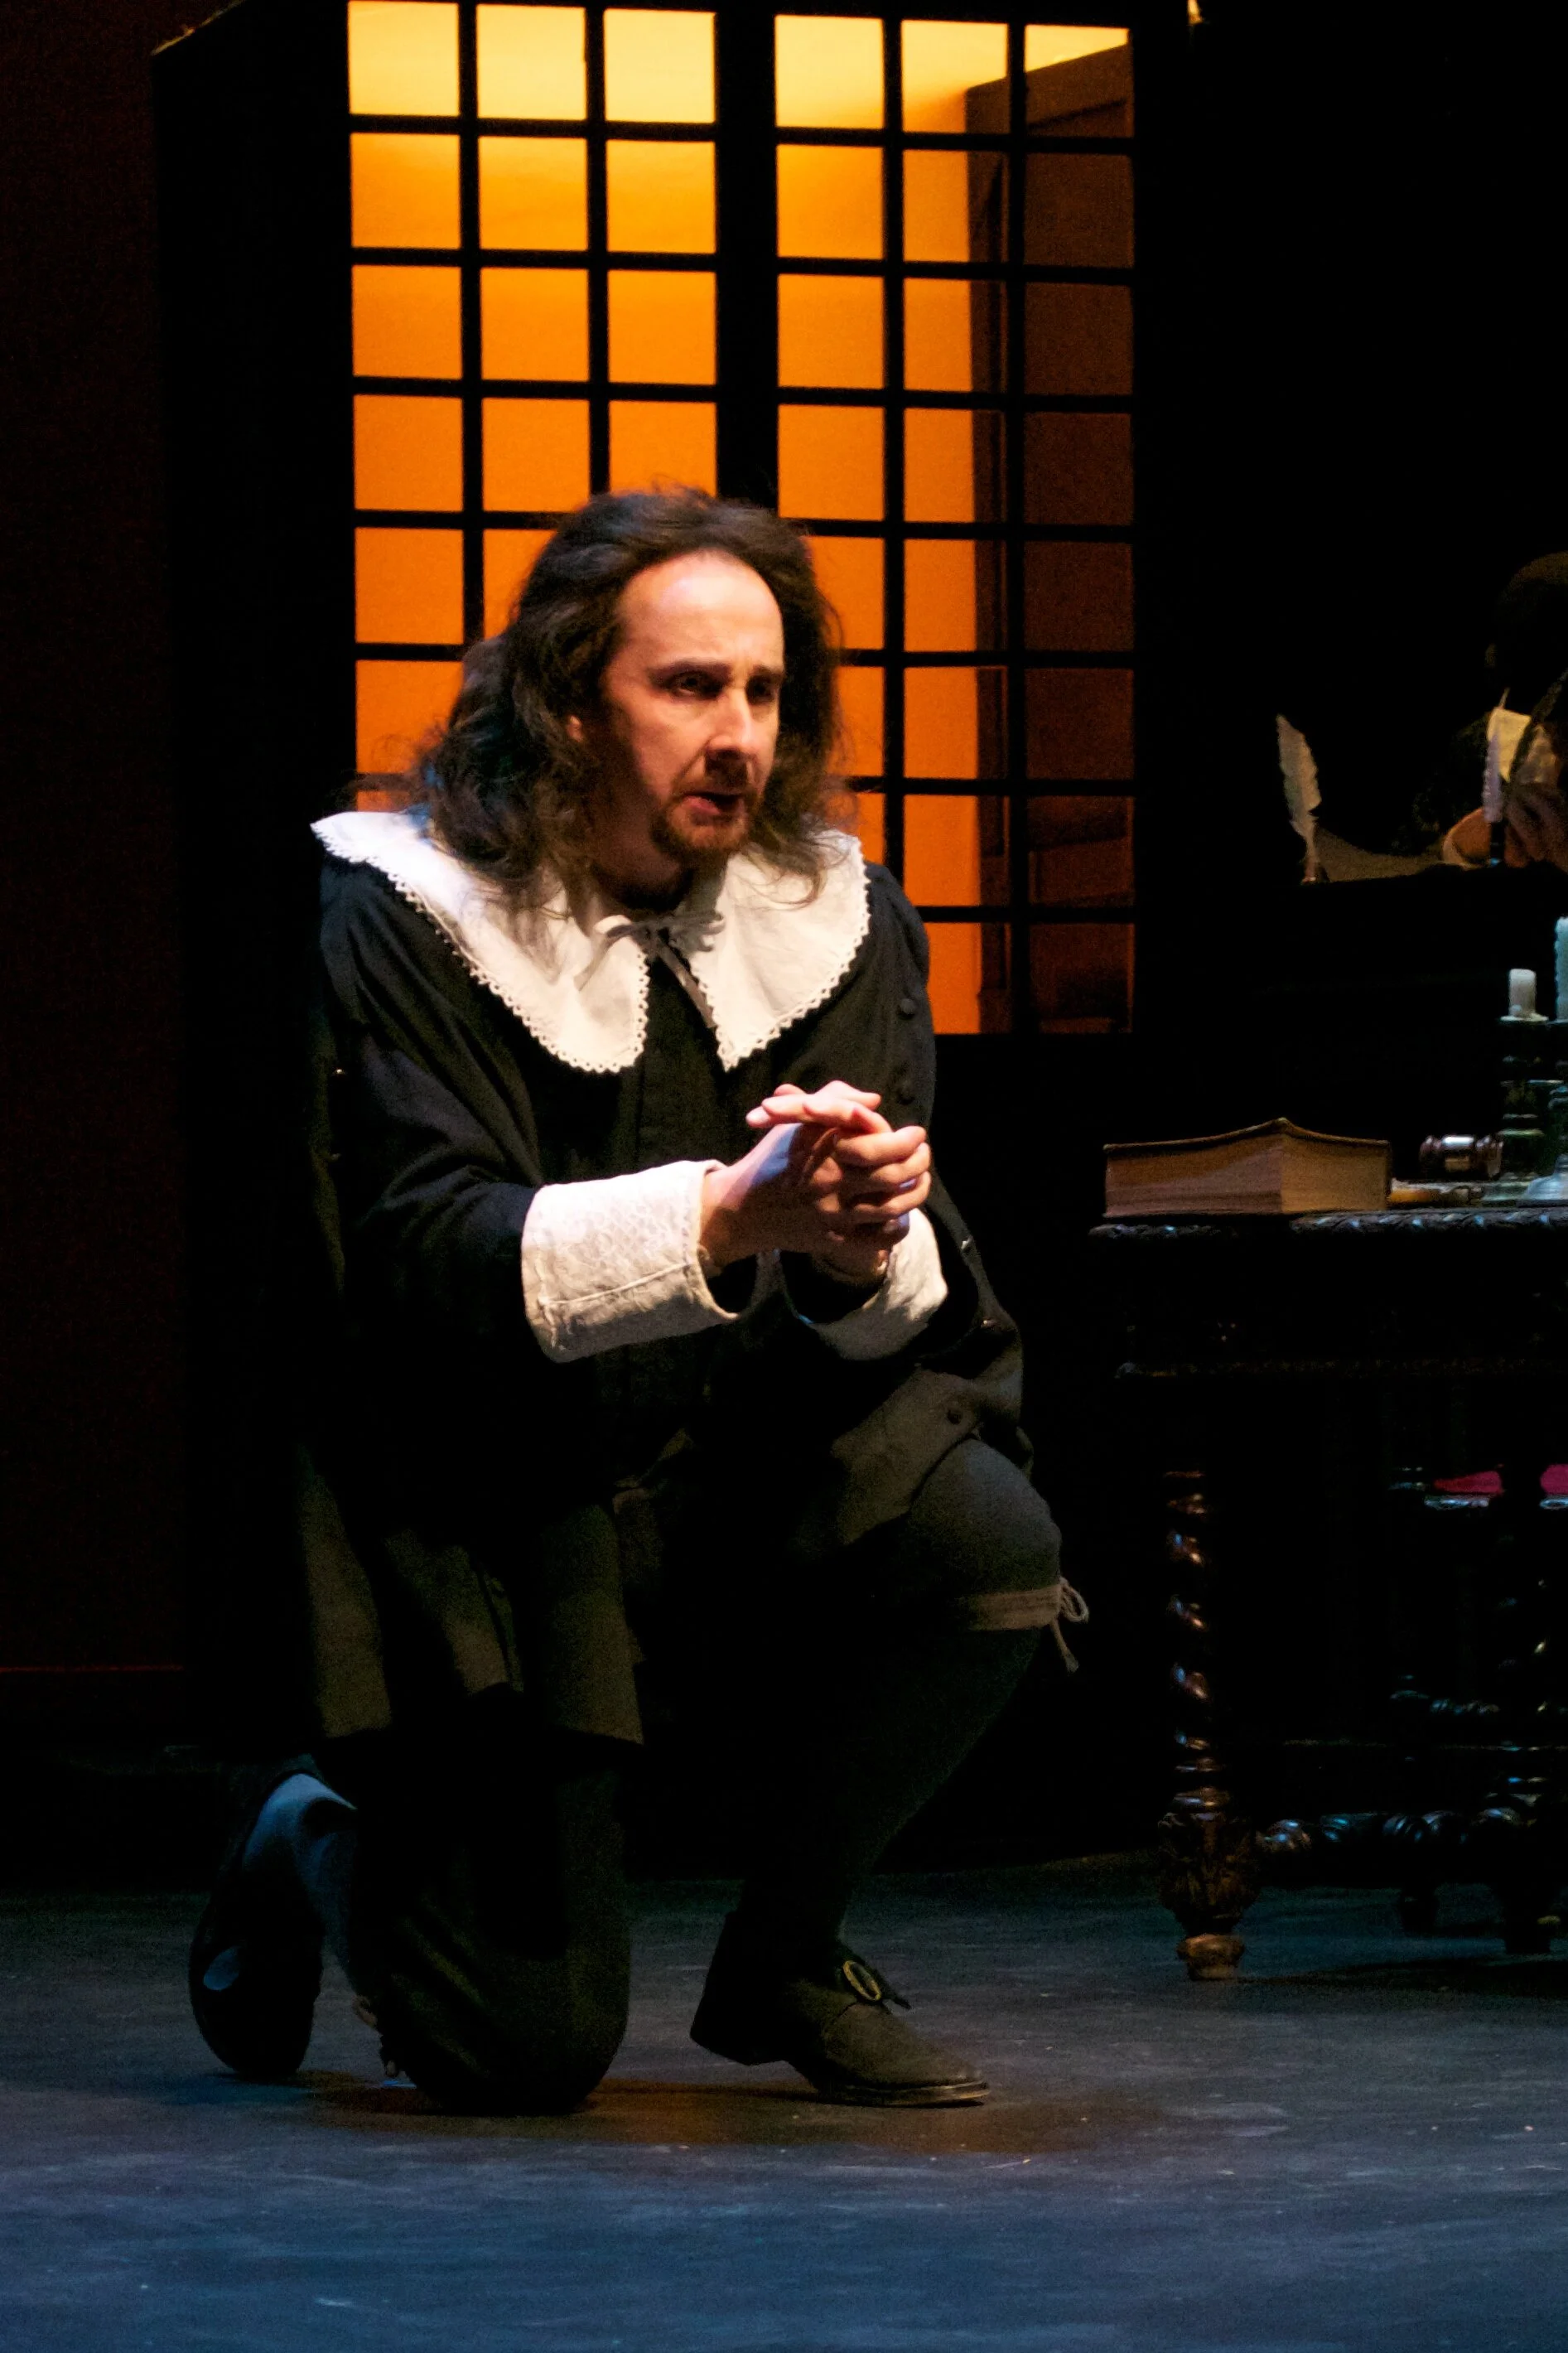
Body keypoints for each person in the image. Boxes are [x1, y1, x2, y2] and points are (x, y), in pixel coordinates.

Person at [188, 490, 1080, 2117]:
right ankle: (310, 1830)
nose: (739, 734)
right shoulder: (413, 918)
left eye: (764, 691)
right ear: (571, 705)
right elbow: (428, 1247)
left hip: (739, 1475)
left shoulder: (832, 921)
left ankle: (786, 1955)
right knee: (519, 2051)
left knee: (985, 1538)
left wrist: (858, 1242)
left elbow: (907, 1300)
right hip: (503, 1506)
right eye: (688, 686)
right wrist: (726, 1217)